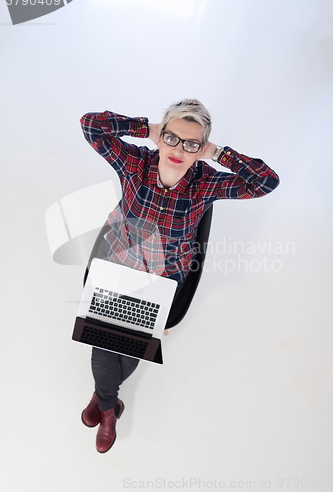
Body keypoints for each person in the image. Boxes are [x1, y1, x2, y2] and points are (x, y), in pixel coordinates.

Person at [79, 99, 279, 453]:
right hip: (120, 264)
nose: (178, 150)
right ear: (161, 135)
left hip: (164, 276)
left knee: (131, 347)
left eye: (191, 144)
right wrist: (146, 130)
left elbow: (266, 182)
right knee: (104, 347)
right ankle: (109, 408)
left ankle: (103, 398)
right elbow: (91, 124)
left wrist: (218, 153)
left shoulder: (205, 183)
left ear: (200, 149)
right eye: (172, 138)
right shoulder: (135, 162)